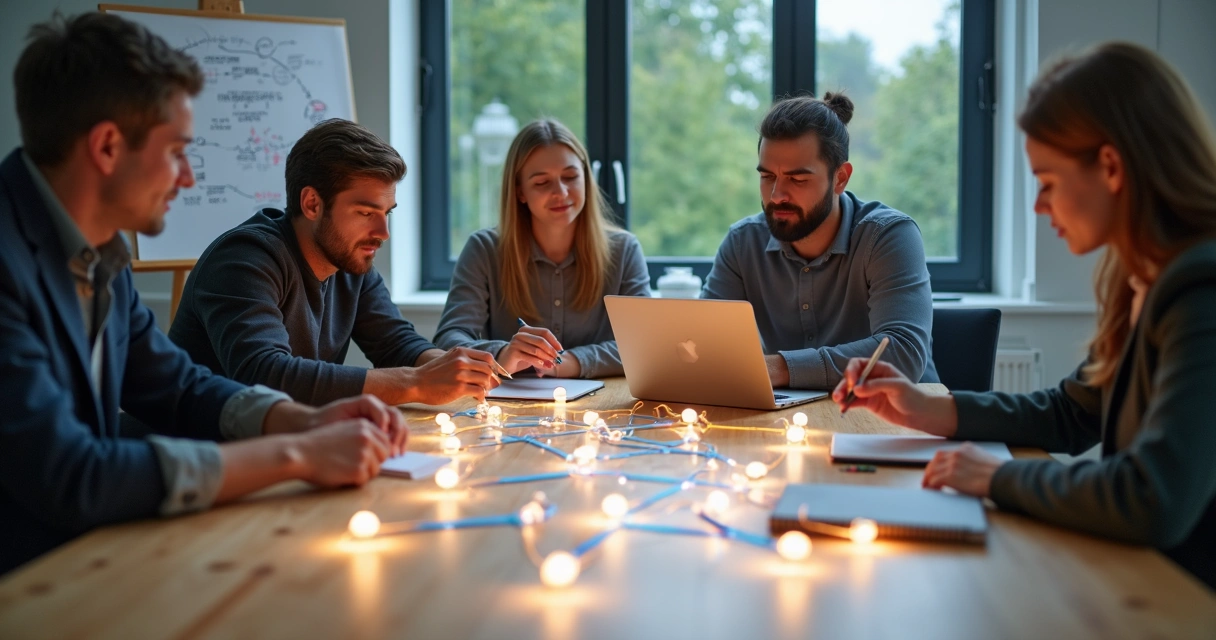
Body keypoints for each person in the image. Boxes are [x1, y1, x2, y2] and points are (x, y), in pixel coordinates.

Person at [0, 13, 408, 575]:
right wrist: (295, 454)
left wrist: (299, 421)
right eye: (175, 152)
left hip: (93, 556)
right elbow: (70, 474)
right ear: (108, 146)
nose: (188, 178)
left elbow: (175, 383)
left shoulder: (101, 255)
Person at [832, 42, 1216, 588]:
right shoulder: (1141, 278)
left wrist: (1001, 476)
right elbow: (1070, 413)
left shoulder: (1199, 287)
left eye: (1048, 182)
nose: (1038, 205)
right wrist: (926, 410)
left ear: (1110, 166)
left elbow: (1152, 497)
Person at [169, 119, 500, 406]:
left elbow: (396, 344)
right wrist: (416, 383)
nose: (383, 233)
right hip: (197, 457)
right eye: (366, 213)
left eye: (387, 214)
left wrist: (455, 369)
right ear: (312, 204)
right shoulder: (244, 258)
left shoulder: (350, 260)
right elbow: (266, 374)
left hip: (283, 445)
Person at [702, 93, 937, 391]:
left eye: (797, 180)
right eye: (767, 177)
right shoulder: (742, 243)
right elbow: (704, 346)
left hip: (898, 420)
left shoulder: (888, 236)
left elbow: (903, 354)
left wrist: (779, 367)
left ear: (840, 178)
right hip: (792, 421)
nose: (776, 195)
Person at [434, 119, 650, 378]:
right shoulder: (484, 249)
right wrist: (504, 354)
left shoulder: (624, 250)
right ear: (520, 192)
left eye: (570, 177)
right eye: (541, 183)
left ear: (586, 179)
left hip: (604, 407)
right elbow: (447, 340)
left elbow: (644, 346)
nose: (561, 192)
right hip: (506, 409)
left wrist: (572, 362)